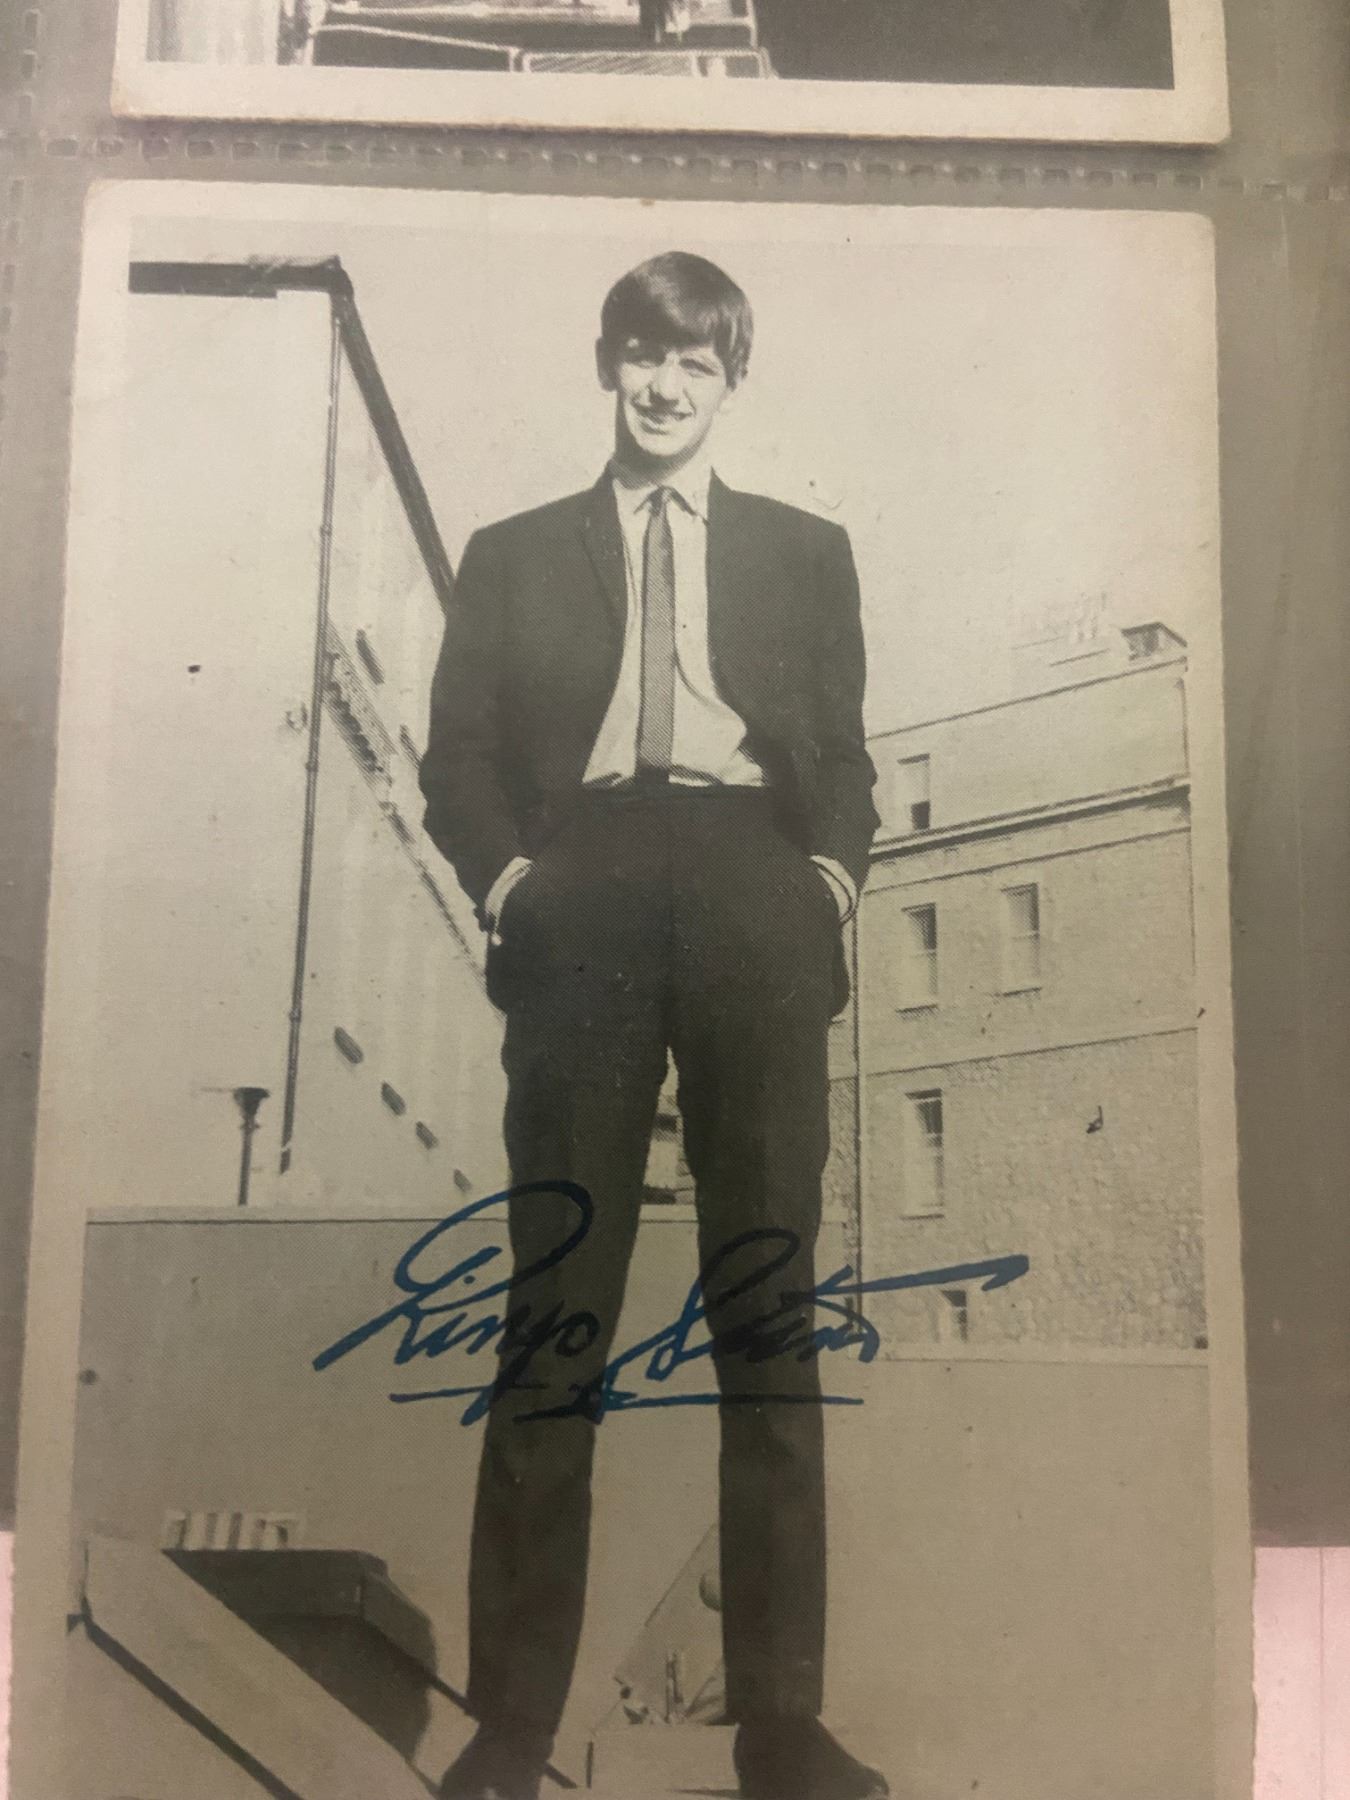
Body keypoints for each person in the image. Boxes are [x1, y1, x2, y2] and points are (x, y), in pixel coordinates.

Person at [420, 251, 885, 1800]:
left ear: (730, 380)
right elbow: (457, 755)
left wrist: (823, 885)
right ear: (606, 364)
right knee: (557, 1303)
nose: (663, 386)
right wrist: (514, 887)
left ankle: (782, 1727)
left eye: (693, 361)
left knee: (768, 1304)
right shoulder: (512, 554)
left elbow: (842, 753)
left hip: (753, 891)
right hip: (587, 895)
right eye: (641, 354)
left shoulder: (805, 552)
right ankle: (510, 1728)